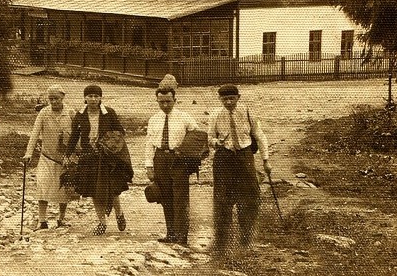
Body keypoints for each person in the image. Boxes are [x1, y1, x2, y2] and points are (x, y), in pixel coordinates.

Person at [208, 84, 271, 255]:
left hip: (244, 156)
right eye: (224, 99)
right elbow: (210, 137)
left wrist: (265, 160)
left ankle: (246, 240)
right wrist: (216, 143)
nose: (228, 102)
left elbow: (259, 135)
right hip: (224, 158)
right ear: (220, 99)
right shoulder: (215, 114)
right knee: (222, 200)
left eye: (231, 99)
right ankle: (221, 242)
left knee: (249, 198)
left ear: (238, 97)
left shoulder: (248, 112)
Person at [66, 85, 133, 235]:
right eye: (90, 96)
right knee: (94, 191)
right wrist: (68, 154)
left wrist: (107, 141)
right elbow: (74, 137)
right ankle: (101, 222)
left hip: (108, 158)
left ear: (101, 98)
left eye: (96, 96)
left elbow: (120, 131)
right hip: (88, 158)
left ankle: (119, 213)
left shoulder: (109, 113)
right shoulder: (80, 115)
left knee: (113, 189)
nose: (93, 99)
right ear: (85, 98)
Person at [144, 74, 199, 246]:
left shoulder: (184, 117)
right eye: (161, 102)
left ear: (175, 99)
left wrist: (187, 153)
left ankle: (182, 237)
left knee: (180, 198)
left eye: (168, 101)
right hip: (160, 159)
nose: (165, 105)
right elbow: (149, 143)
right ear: (157, 101)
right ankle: (171, 233)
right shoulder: (154, 119)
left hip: (178, 160)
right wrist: (148, 165)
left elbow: (197, 136)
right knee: (165, 197)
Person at [23, 85, 76, 230]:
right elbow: (34, 133)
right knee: (42, 185)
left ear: (63, 98)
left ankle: (61, 218)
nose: (53, 102)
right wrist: (29, 152)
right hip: (46, 156)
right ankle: (42, 220)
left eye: (56, 99)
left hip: (65, 158)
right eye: (51, 99)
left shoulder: (71, 113)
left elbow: (78, 135)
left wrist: (75, 154)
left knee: (64, 189)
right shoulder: (44, 113)